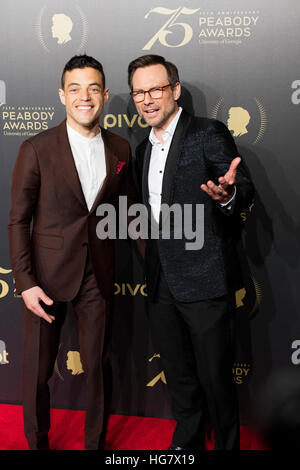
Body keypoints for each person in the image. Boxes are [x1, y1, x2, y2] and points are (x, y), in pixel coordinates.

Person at [128, 54, 255, 450]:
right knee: (179, 376)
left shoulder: (207, 133)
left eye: (156, 89)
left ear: (175, 90)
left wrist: (228, 194)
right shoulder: (141, 149)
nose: (147, 99)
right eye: (139, 93)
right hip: (161, 281)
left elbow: (243, 188)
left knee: (217, 381)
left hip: (204, 278)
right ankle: (188, 443)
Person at [8, 54, 133, 450]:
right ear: (62, 95)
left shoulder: (120, 147)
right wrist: (25, 283)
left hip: (97, 274)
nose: (85, 97)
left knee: (97, 367)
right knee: (38, 373)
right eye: (75, 88)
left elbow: (129, 215)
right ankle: (37, 443)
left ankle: (95, 444)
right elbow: (17, 221)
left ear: (105, 94)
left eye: (93, 88)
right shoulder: (36, 148)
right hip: (44, 278)